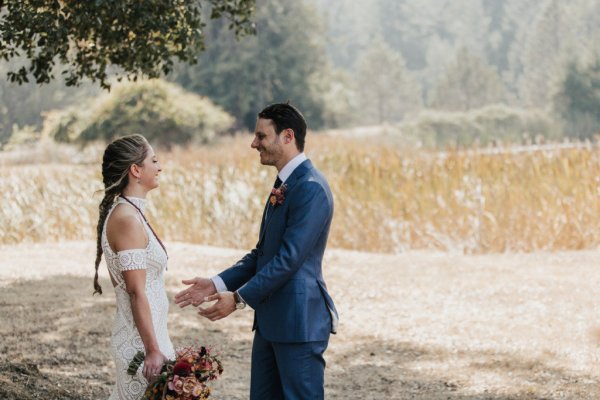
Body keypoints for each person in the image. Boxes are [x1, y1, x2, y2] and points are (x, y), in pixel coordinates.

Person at [175, 102, 339, 400]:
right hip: (270, 320)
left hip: (298, 321)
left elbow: (288, 260)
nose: (254, 143)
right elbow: (262, 254)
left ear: (287, 136)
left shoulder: (311, 187)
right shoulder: (286, 184)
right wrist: (217, 283)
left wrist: (238, 299)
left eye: (261, 136)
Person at [93, 134, 175, 400]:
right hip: (140, 344)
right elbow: (135, 291)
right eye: (154, 160)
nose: (160, 166)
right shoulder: (126, 218)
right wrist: (152, 349)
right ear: (136, 170)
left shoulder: (131, 213)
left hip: (152, 335)